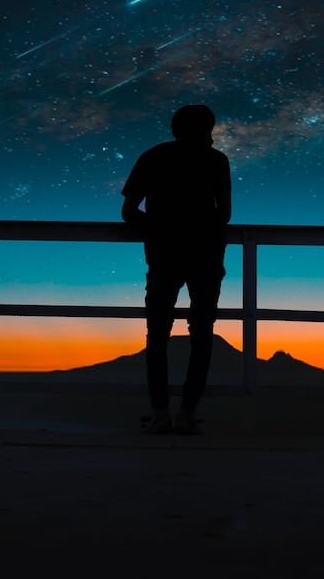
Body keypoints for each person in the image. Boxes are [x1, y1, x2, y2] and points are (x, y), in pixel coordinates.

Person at [121, 104, 232, 435]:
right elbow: (223, 214)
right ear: (209, 128)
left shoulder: (153, 156)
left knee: (157, 332)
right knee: (202, 331)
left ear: (174, 127)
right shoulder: (216, 161)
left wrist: (159, 226)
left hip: (163, 254)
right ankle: (186, 413)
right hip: (206, 255)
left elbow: (128, 212)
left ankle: (159, 414)